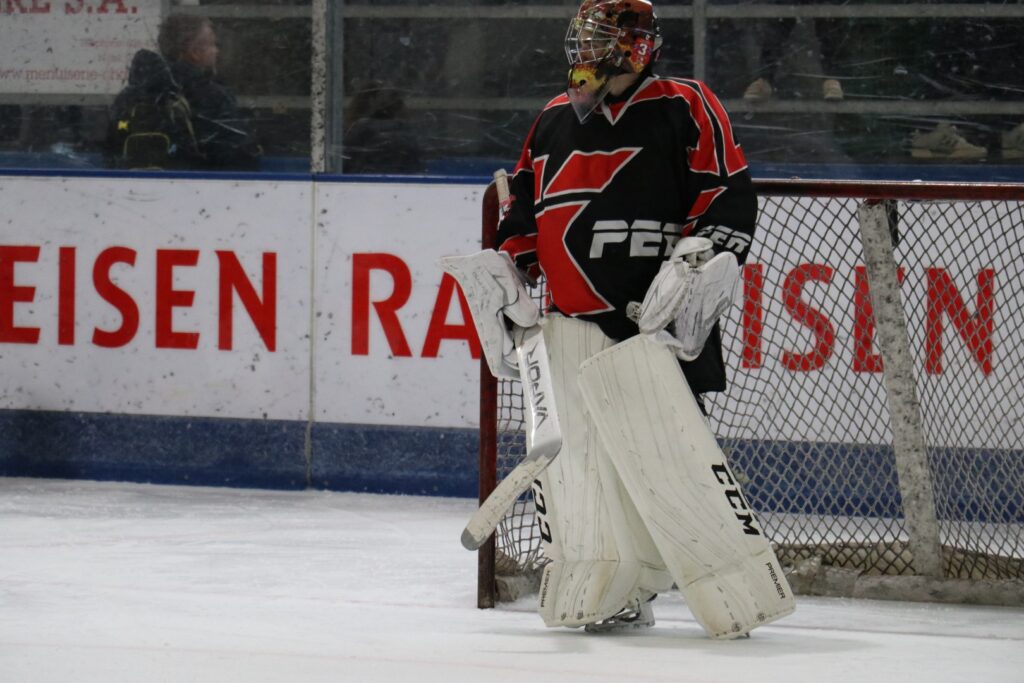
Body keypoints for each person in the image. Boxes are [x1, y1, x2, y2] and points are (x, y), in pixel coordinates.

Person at [455, 0, 792, 637]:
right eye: (582, 38)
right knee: (583, 476)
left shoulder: (685, 103)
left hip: (654, 326)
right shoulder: (553, 118)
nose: (584, 51)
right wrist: (510, 269)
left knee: (666, 466)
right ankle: (619, 588)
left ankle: (727, 583)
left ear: (634, 45)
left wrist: (704, 259)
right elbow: (524, 207)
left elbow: (725, 193)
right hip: (569, 325)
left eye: (599, 38)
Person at [156, 15, 261, 170]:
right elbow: (238, 154)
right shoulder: (212, 96)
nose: (216, 51)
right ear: (195, 52)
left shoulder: (143, 90)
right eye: (212, 44)